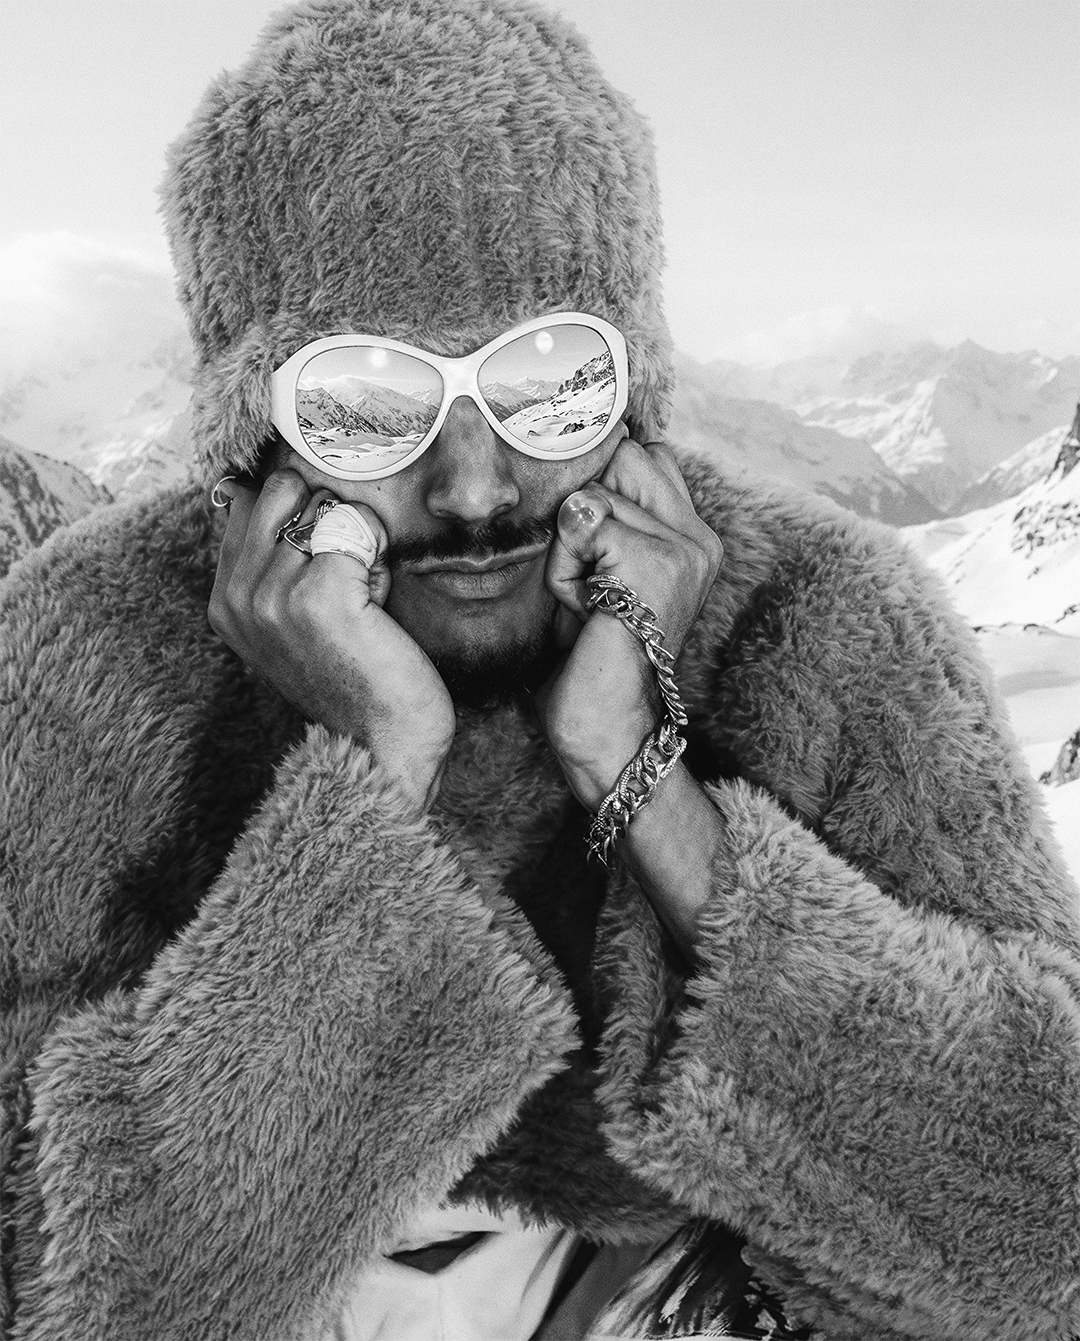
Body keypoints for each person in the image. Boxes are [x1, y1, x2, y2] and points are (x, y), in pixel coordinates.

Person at [3, 1, 1080, 1338]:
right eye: (367, 402)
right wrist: (374, 782)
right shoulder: (87, 662)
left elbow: (1049, 1228)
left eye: (550, 381)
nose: (473, 488)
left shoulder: (821, 623)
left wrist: (646, 784)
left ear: (632, 398)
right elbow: (63, 1295)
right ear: (257, 434)